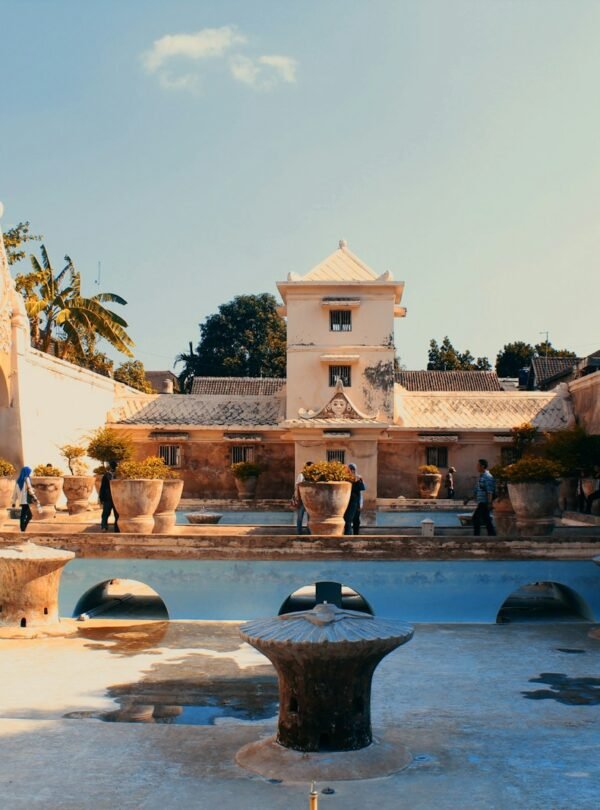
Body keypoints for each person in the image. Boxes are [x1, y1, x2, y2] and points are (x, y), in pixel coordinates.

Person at [464, 458, 496, 536]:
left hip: (484, 502)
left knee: (476, 518)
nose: (476, 467)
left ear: (482, 466)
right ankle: (492, 535)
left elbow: (490, 491)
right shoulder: (481, 477)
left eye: (478, 465)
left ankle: (476, 536)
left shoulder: (488, 477)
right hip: (481, 502)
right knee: (486, 520)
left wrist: (489, 503)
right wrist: (468, 499)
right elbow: (477, 490)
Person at [12, 466, 38, 532]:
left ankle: (23, 528)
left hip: (22, 500)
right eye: (29, 472)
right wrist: (35, 497)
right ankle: (23, 528)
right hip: (26, 499)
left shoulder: (18, 481)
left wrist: (14, 502)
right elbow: (29, 488)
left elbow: (15, 492)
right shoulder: (27, 479)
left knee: (25, 514)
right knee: (28, 515)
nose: (29, 473)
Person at [344, 463, 366, 535]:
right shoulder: (345, 479)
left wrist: (360, 504)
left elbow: (361, 490)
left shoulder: (358, 478)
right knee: (348, 520)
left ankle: (355, 535)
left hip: (355, 503)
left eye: (353, 469)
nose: (352, 471)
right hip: (348, 503)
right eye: (351, 469)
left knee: (356, 521)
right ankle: (348, 536)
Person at [99, 460, 120, 532]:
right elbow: (103, 487)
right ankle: (106, 526)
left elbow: (102, 487)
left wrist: (101, 497)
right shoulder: (108, 475)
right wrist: (101, 497)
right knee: (107, 513)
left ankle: (109, 527)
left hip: (113, 497)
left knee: (113, 514)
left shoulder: (118, 475)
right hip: (111, 497)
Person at [294, 461, 313, 535]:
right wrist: (298, 497)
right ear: (307, 467)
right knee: (300, 516)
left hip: (309, 500)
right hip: (302, 500)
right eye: (311, 466)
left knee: (310, 517)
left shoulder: (312, 476)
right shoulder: (301, 475)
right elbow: (297, 486)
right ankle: (299, 532)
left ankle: (309, 531)